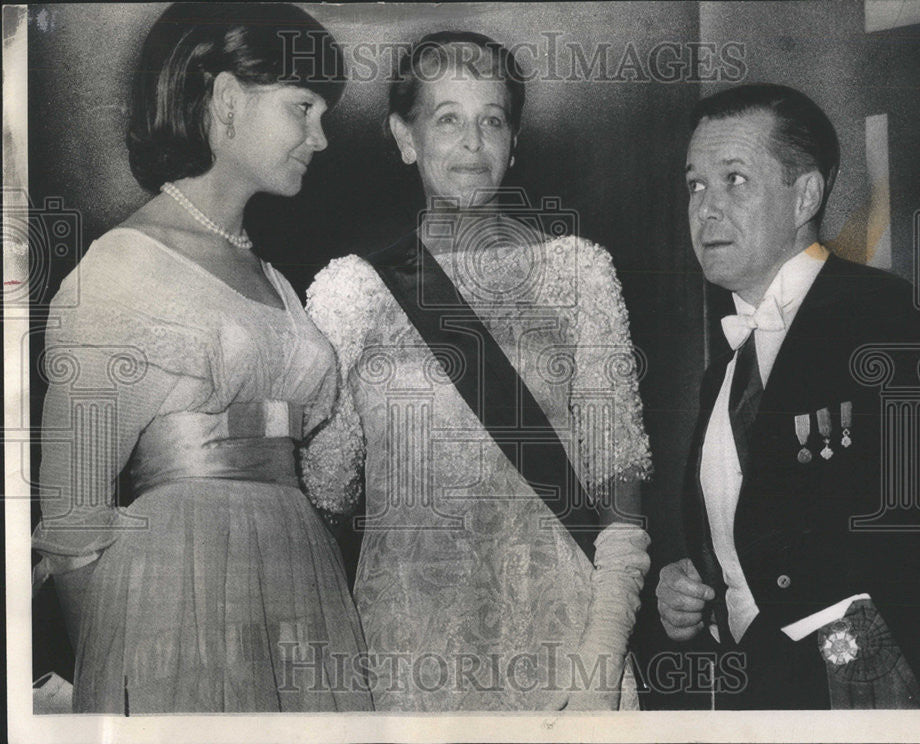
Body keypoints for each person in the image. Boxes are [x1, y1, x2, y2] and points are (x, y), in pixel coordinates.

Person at [31, 3, 373, 713]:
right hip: (169, 598)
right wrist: (121, 675)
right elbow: (71, 515)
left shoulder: (274, 280)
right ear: (224, 99)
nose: (322, 137)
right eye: (304, 108)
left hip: (301, 581)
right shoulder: (120, 270)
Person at [302, 31, 652, 711]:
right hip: (405, 658)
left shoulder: (577, 273)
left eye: (492, 119)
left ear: (514, 142)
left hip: (565, 647)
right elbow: (326, 492)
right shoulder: (352, 293)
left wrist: (600, 663)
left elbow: (621, 481)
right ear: (405, 138)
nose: (472, 143)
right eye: (447, 119)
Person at [652, 83, 920, 709]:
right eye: (695, 185)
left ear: (805, 195)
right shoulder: (726, 358)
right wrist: (693, 586)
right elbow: (752, 532)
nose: (706, 208)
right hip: (752, 693)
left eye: (735, 179)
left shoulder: (891, 322)